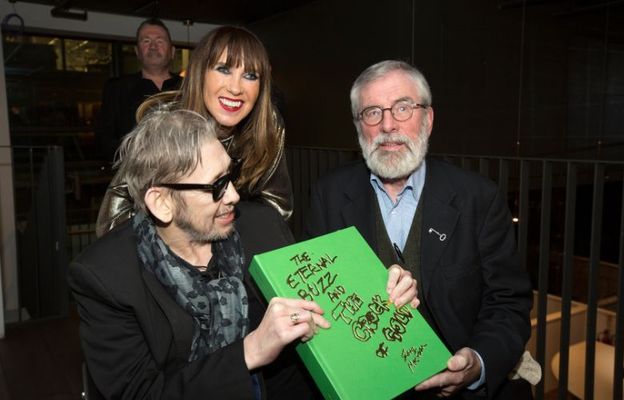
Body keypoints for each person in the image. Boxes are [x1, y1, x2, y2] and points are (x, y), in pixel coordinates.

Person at [71, 109, 420, 399]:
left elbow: (321, 308)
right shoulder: (104, 277)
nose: (235, 195)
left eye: (231, 175)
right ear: (161, 202)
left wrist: (380, 291)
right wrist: (249, 352)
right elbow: (141, 395)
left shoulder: (262, 224)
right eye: (216, 186)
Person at [304, 60, 533, 399]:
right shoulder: (329, 195)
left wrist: (477, 363)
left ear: (428, 119)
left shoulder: (478, 198)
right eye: (372, 113)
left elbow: (508, 303)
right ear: (358, 128)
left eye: (403, 108)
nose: (387, 125)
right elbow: (317, 299)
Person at [95, 26, 292, 237]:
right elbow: (112, 220)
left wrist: (224, 230)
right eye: (224, 69)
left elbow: (278, 208)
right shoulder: (166, 123)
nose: (236, 88)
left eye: (251, 75)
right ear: (200, 73)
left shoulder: (268, 122)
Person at [94, 18, 182, 161]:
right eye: (146, 41)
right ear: (137, 51)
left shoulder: (189, 87)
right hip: (134, 177)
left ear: (172, 52)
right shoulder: (117, 89)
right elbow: (104, 141)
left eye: (160, 41)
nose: (153, 46)